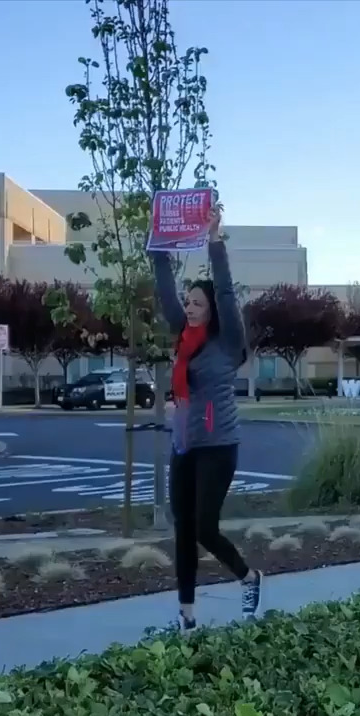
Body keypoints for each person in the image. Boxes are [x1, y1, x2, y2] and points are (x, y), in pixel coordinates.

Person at [151, 204, 262, 634]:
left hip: (218, 445)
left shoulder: (227, 339)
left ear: (212, 308)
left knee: (204, 527)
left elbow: (227, 291)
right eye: (189, 302)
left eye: (198, 303)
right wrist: (157, 243)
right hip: (185, 443)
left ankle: (248, 577)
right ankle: (187, 615)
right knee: (182, 528)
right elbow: (164, 293)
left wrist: (215, 240)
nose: (190, 308)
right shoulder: (184, 335)